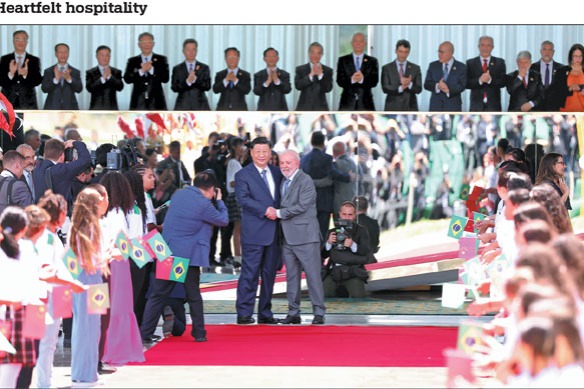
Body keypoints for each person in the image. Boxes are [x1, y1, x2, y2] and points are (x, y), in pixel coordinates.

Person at [140, 171, 228, 343]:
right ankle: (199, 333)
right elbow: (223, 220)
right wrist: (219, 201)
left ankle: (145, 333)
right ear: (211, 189)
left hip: (168, 252)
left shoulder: (178, 194)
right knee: (193, 295)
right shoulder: (203, 204)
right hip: (188, 256)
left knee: (158, 294)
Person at [269, 150, 326, 325]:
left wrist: (278, 213)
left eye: (288, 162)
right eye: (282, 163)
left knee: (313, 276)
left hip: (306, 237)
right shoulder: (284, 181)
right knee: (291, 277)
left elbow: (301, 206)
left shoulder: (305, 180)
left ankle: (319, 312)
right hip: (287, 237)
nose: (285, 166)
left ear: (297, 163)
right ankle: (293, 312)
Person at [234, 136, 282, 325]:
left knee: (269, 274)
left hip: (274, 232)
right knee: (250, 273)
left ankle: (265, 312)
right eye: (258, 151)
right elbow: (243, 199)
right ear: (251, 153)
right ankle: (244, 312)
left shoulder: (277, 173)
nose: (262, 155)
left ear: (270, 153)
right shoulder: (243, 175)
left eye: (265, 151)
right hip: (254, 232)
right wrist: (265, 210)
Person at [68, 186, 110, 387]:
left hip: (82, 279)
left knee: (83, 327)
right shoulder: (93, 228)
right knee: (92, 327)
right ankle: (87, 373)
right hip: (93, 279)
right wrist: (110, 254)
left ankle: (82, 371)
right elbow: (95, 258)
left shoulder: (75, 227)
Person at [300, 131, 352, 241]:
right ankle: (321, 256)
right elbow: (334, 174)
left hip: (308, 202)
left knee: (310, 232)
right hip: (324, 201)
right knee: (322, 232)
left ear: (311, 142)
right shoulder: (326, 158)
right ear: (323, 143)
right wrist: (347, 177)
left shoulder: (303, 159)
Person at [321, 201, 375, 298]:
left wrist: (352, 245)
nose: (346, 217)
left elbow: (365, 252)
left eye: (350, 215)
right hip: (334, 272)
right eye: (344, 214)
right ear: (340, 214)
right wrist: (328, 243)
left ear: (354, 215)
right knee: (323, 295)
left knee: (359, 298)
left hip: (353, 272)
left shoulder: (361, 231)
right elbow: (323, 255)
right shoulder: (332, 232)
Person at [32, 138, 91, 211]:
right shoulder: (61, 170)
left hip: (42, 213)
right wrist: (75, 142)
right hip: (59, 214)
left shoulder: (37, 168)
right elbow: (85, 159)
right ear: (62, 155)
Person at [123, 32, 169, 110]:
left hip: (157, 103)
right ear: (139, 45)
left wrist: (151, 70)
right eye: (143, 43)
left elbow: (165, 78)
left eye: (149, 42)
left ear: (153, 44)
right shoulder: (132, 61)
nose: (146, 45)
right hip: (138, 103)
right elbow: (127, 79)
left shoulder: (161, 59)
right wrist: (141, 71)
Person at [336, 32, 379, 111]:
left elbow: (374, 81)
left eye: (361, 41)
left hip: (366, 103)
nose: (358, 44)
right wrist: (352, 80)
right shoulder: (343, 60)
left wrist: (362, 80)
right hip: (347, 104)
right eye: (355, 41)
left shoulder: (372, 61)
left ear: (365, 43)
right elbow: (340, 81)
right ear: (352, 43)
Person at [0, 30, 42, 109]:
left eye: (23, 39)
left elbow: (38, 80)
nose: (20, 42)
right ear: (13, 41)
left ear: (27, 42)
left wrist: (26, 75)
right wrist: (10, 74)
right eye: (17, 40)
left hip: (28, 103)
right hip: (7, 102)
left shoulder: (34, 60)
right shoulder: (5, 59)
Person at [466, 36, 507, 112]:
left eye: (488, 45)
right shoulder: (470, 63)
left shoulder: (500, 62)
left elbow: (503, 82)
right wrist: (480, 80)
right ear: (478, 46)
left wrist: (490, 80)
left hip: (494, 106)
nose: (485, 48)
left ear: (492, 47)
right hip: (476, 105)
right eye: (483, 45)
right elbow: (466, 83)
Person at [424, 41, 467, 111]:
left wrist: (448, 90)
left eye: (442, 52)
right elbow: (426, 84)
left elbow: (462, 85)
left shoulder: (461, 67)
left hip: (453, 106)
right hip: (435, 107)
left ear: (450, 53)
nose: (439, 55)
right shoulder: (433, 66)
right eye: (438, 52)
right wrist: (437, 86)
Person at [381, 39, 422, 111]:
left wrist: (409, 84)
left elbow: (419, 89)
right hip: (392, 107)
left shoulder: (415, 68)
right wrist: (401, 88)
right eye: (400, 51)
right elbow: (385, 88)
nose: (403, 55)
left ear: (409, 52)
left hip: (410, 107)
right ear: (396, 51)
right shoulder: (386, 68)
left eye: (406, 52)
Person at [171, 38, 211, 110]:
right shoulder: (177, 68)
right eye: (188, 50)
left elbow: (207, 87)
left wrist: (195, 80)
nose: (191, 52)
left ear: (197, 51)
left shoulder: (204, 67)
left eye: (193, 49)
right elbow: (174, 88)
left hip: (201, 106)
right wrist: (187, 82)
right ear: (183, 51)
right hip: (182, 106)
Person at [41, 43, 83, 110]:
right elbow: (44, 89)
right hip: (52, 108)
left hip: (70, 109)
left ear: (68, 54)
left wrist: (69, 79)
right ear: (56, 54)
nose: (63, 55)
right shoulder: (48, 71)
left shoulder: (75, 72)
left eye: (65, 52)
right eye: (60, 52)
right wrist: (56, 80)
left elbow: (79, 89)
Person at [294, 42, 333, 111]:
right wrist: (310, 75)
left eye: (318, 53)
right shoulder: (300, 69)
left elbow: (328, 88)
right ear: (309, 53)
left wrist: (321, 75)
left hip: (321, 108)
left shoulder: (327, 70)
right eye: (313, 53)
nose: (315, 56)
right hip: (303, 107)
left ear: (322, 55)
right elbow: (298, 86)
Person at [225, 137, 246, 268]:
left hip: (237, 196)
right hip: (235, 196)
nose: (242, 149)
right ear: (234, 147)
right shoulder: (233, 162)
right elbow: (232, 182)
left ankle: (239, 256)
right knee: (238, 227)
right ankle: (237, 257)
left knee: (240, 227)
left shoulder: (236, 163)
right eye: (240, 146)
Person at [85, 45, 124, 110]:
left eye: (107, 55)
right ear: (97, 56)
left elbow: (120, 87)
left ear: (110, 57)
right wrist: (102, 78)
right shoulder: (90, 72)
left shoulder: (116, 72)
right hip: (95, 108)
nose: (105, 58)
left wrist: (109, 77)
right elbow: (89, 88)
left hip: (112, 109)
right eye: (102, 55)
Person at [530, 40, 566, 111]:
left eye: (550, 50)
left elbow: (563, 90)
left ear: (553, 52)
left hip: (555, 109)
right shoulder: (532, 68)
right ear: (541, 51)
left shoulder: (562, 69)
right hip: (536, 108)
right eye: (545, 49)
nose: (547, 52)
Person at [553, 44, 584, 112]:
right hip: (566, 110)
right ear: (571, 56)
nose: (578, 59)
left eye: (580, 56)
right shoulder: (562, 71)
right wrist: (570, 88)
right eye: (575, 56)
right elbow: (556, 91)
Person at [332, 141, 358, 215]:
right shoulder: (354, 163)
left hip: (339, 203)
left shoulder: (335, 165)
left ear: (333, 152)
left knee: (340, 225)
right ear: (344, 150)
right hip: (352, 200)